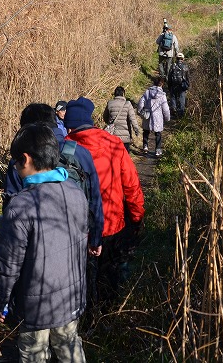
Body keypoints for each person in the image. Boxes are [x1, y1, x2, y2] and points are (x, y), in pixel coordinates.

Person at [0, 123, 89, 362]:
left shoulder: (21, 206)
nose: (14, 167)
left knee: (34, 353)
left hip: (36, 306)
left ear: (25, 159)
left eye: (15, 162)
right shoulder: (75, 191)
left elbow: (7, 266)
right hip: (71, 297)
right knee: (69, 348)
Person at [64, 97, 145, 304]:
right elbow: (131, 185)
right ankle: (108, 320)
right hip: (112, 223)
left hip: (77, 228)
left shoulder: (65, 149)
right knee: (110, 276)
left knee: (81, 279)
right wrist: (136, 218)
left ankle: (85, 318)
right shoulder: (114, 143)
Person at [6, 103, 104, 255]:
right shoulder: (80, 152)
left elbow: (10, 206)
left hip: (35, 246)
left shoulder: (21, 160)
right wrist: (96, 237)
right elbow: (94, 198)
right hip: (77, 238)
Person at [138, 77, 172, 157]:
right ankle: (158, 150)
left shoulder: (147, 92)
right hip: (158, 117)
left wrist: (140, 112)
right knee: (158, 133)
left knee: (146, 131)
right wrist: (167, 118)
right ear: (162, 84)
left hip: (147, 115)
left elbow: (140, 103)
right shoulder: (162, 95)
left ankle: (145, 147)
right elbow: (166, 109)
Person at [104, 86, 141, 150]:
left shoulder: (110, 103)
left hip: (112, 135)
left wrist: (110, 123)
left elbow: (105, 117)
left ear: (115, 94)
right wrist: (136, 130)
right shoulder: (128, 104)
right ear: (123, 94)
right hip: (125, 137)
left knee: (113, 157)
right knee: (124, 157)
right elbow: (133, 119)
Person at [167, 53, 191, 118]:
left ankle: (174, 111)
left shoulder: (173, 66)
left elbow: (169, 77)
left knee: (173, 97)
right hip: (182, 85)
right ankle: (181, 114)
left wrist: (169, 86)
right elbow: (188, 77)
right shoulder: (185, 66)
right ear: (183, 59)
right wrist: (188, 86)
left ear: (176, 58)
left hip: (173, 85)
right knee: (182, 98)